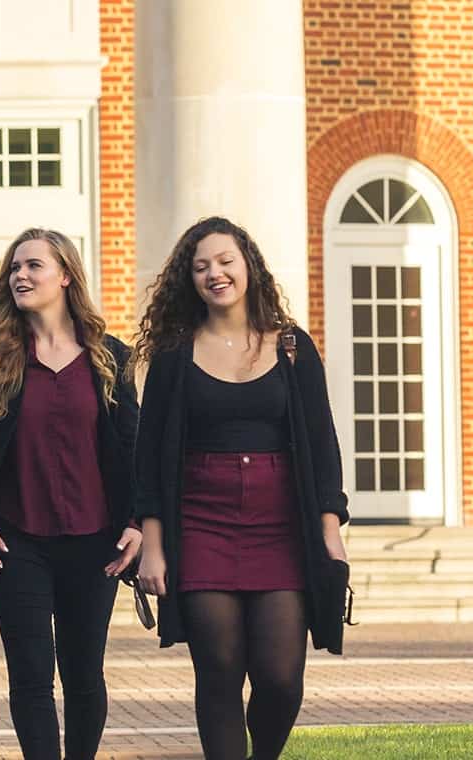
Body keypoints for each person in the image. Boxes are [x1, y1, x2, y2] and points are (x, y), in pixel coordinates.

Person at [132, 216, 351, 760]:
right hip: (201, 524)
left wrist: (330, 529)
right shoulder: (173, 356)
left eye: (226, 261)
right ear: (190, 279)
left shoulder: (293, 347)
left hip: (282, 527)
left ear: (248, 265)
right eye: (201, 266)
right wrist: (153, 545)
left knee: (280, 678)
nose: (215, 274)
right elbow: (150, 458)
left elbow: (322, 443)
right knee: (220, 671)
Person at [0, 228, 141, 760]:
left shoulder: (111, 357)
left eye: (34, 266)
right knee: (32, 676)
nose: (20, 275)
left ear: (65, 275)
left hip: (96, 543)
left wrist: (135, 522)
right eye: (14, 267)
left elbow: (133, 449)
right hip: (17, 544)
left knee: (85, 673)